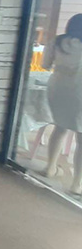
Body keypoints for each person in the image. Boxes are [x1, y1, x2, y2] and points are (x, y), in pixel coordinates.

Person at [41, 14, 82, 196]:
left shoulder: (56, 42)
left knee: (59, 128)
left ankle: (50, 167)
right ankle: (76, 184)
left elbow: (45, 64)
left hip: (57, 89)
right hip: (79, 91)